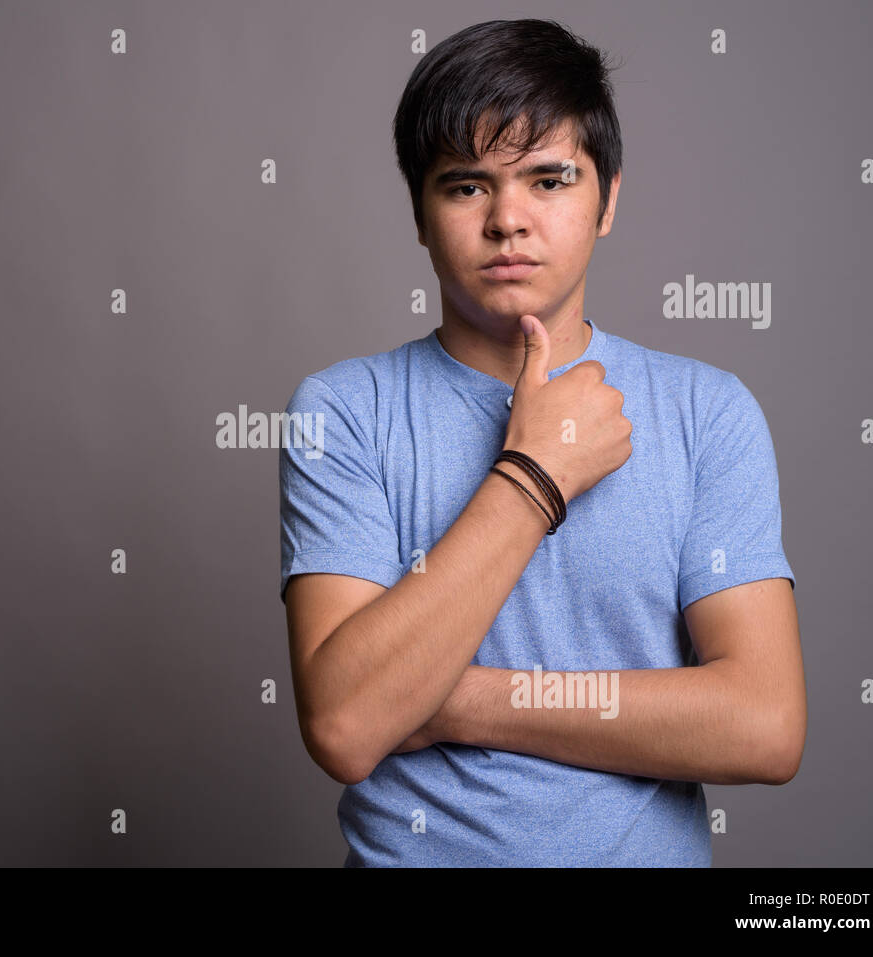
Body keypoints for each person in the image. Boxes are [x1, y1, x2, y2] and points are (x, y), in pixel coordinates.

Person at [277, 18, 805, 867]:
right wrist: (534, 475)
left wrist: (449, 701)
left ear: (609, 198)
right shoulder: (343, 412)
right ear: (419, 211)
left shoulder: (710, 411)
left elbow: (766, 725)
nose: (508, 220)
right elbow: (345, 725)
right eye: (465, 186)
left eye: (548, 179)